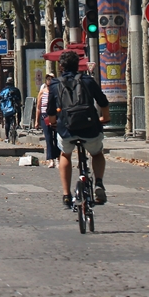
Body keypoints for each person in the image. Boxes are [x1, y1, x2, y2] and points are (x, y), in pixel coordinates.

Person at [45, 50, 111, 210]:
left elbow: (51, 111)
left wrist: (53, 123)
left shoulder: (55, 84)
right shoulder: (88, 80)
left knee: (65, 154)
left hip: (67, 129)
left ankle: (67, 195)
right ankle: (99, 183)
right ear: (78, 65)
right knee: (96, 153)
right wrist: (105, 118)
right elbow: (103, 101)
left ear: (60, 66)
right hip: (90, 127)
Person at [35, 72, 58, 168]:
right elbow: (38, 107)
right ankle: (50, 159)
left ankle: (58, 158)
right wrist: (36, 120)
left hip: (55, 116)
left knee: (56, 138)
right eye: (48, 79)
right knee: (48, 139)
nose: (50, 80)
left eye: (52, 78)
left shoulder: (57, 91)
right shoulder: (42, 92)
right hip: (45, 117)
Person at [0, 77, 23, 142]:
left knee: (7, 122)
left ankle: (6, 137)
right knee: (19, 111)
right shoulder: (16, 90)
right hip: (14, 108)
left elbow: (0, 100)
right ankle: (18, 123)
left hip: (6, 109)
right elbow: (19, 100)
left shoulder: (3, 91)